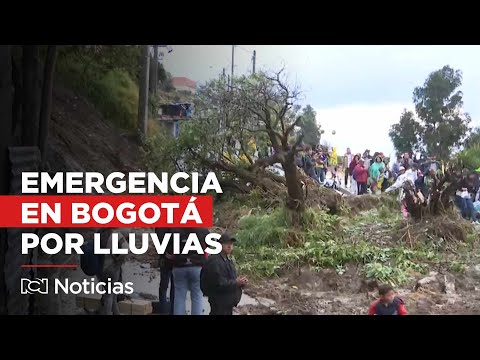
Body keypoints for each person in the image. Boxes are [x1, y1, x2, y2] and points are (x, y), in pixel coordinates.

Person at [201, 233, 247, 315]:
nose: (230, 246)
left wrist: (241, 282)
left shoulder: (228, 259)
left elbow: (231, 277)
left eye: (231, 244)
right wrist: (236, 282)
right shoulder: (214, 261)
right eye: (227, 244)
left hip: (227, 302)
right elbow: (219, 282)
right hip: (219, 301)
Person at [167, 227, 210, 315]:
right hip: (197, 266)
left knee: (179, 296)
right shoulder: (203, 230)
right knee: (197, 296)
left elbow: (168, 251)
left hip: (179, 266)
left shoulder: (175, 230)